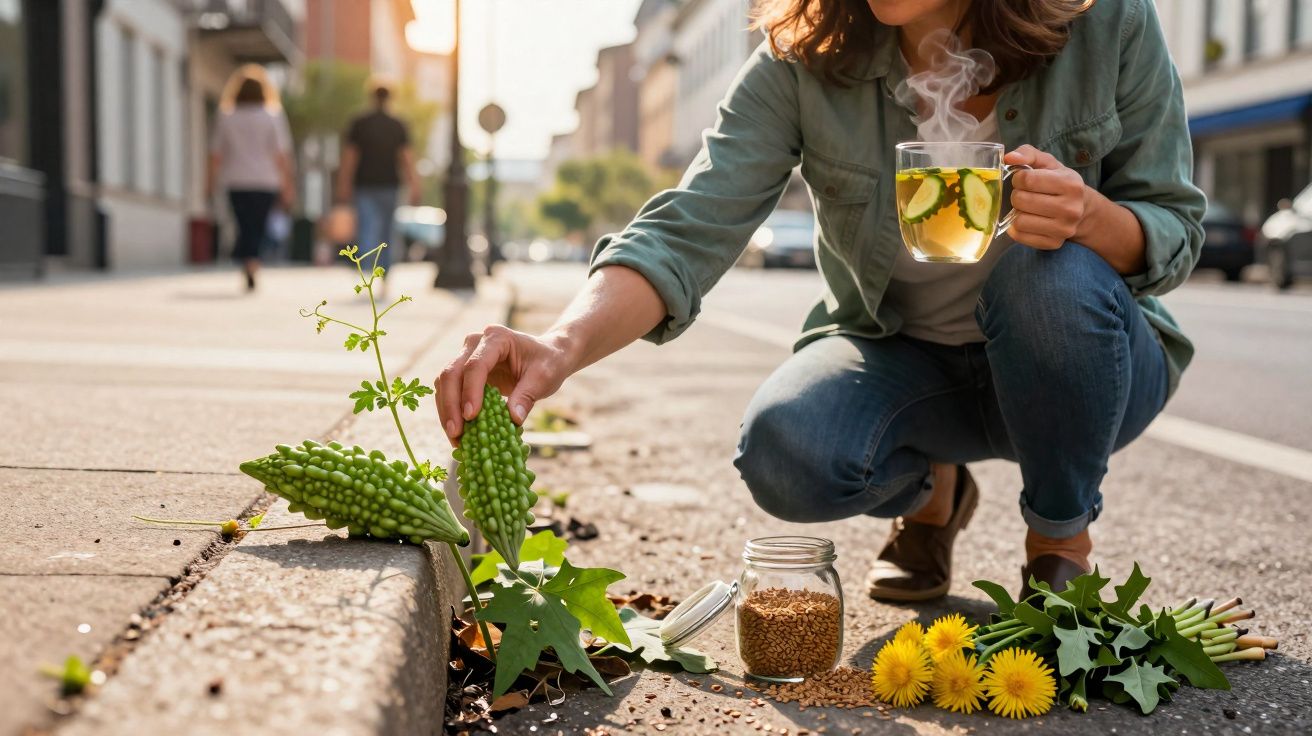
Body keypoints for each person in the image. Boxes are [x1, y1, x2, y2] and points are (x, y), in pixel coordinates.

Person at [435, 0, 1204, 602]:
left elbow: (1176, 222)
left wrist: (1096, 220)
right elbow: (691, 225)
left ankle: (1060, 542)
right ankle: (933, 492)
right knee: (785, 448)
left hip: (1085, 367)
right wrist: (559, 345)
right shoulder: (803, 59)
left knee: (1048, 276)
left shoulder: (1106, 21)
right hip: (907, 365)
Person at [208, 65, 295, 291]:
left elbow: (216, 154)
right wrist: (287, 184)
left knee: (243, 224)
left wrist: (209, 181)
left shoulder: (226, 116)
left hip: (236, 179)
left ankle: (247, 261)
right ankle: (252, 262)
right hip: (265, 180)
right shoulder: (272, 115)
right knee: (258, 225)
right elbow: (281, 154)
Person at [336, 79, 422, 274]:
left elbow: (350, 157)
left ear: (372, 97)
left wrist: (343, 184)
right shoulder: (398, 124)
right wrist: (415, 185)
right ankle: (384, 272)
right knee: (387, 232)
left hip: (365, 185)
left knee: (367, 228)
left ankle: (367, 272)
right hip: (390, 185)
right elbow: (406, 159)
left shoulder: (359, 123)